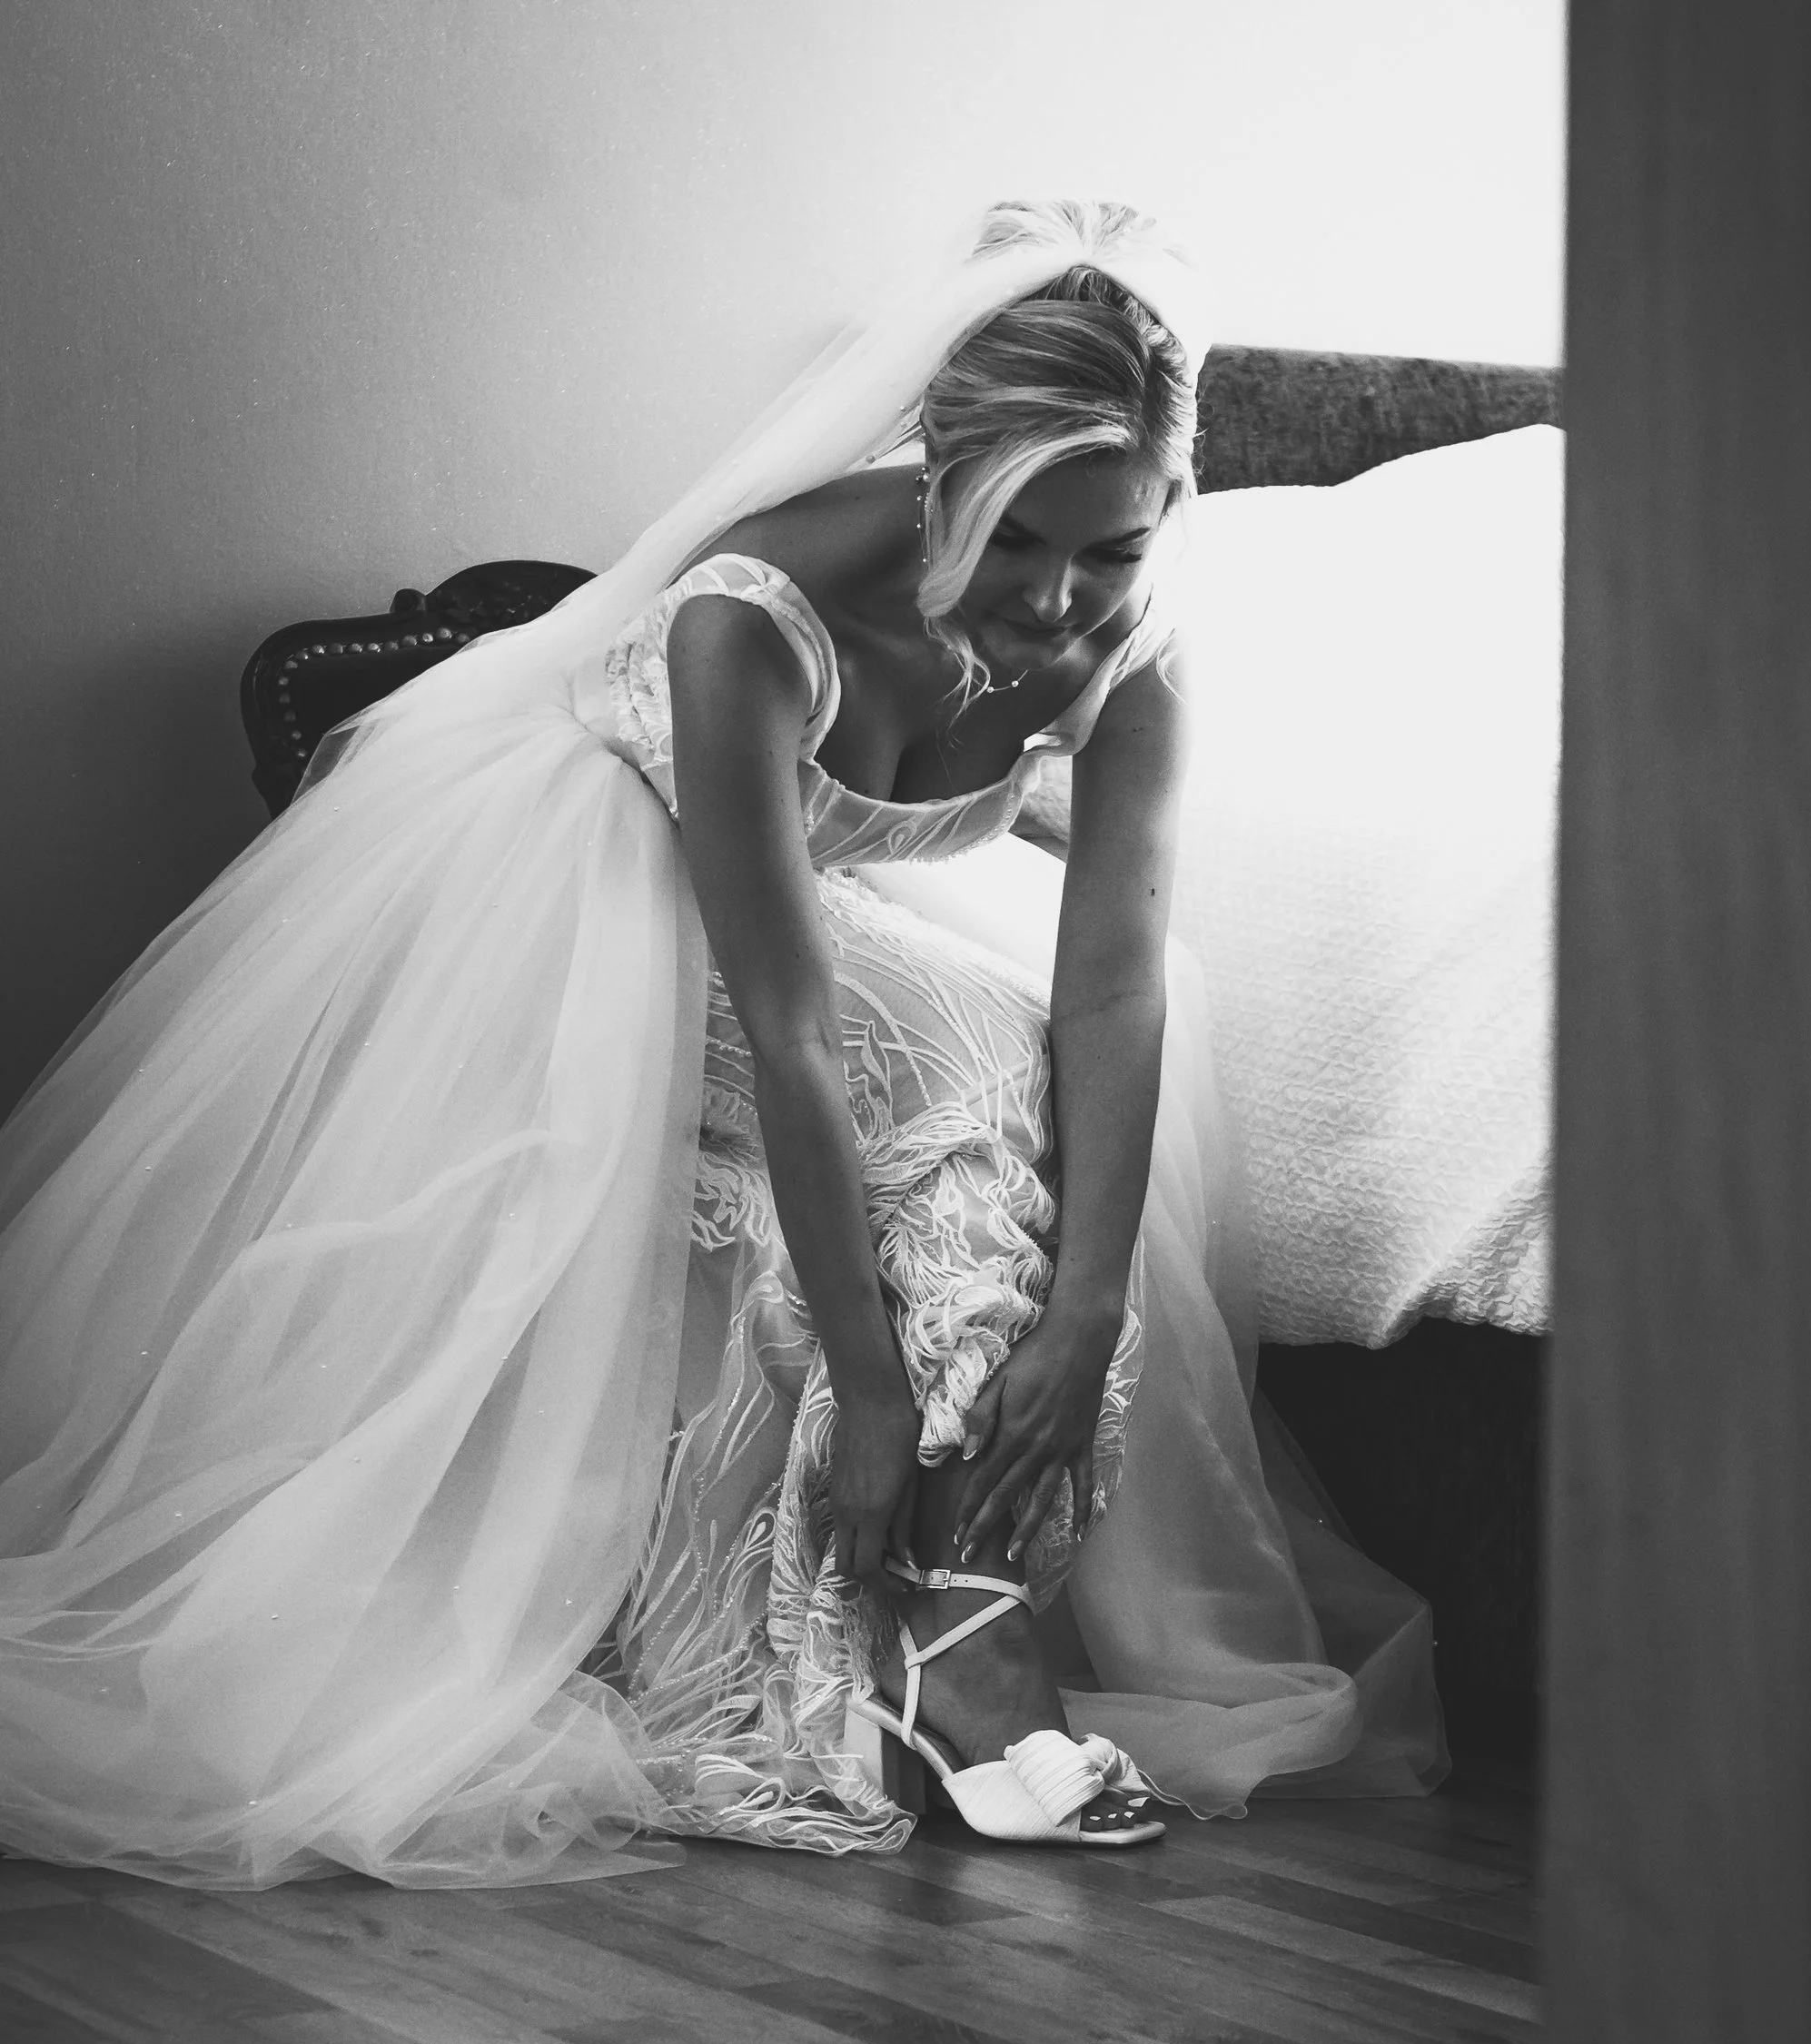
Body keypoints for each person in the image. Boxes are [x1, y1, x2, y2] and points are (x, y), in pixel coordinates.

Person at [0, 199, 1442, 1890]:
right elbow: (798, 1027)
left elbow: (1121, 979)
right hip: (579, 883)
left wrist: (1086, 1312)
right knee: (968, 1085)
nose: (1059, 599)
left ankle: (913, 1641)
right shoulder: (752, 609)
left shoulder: (1137, 648)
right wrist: (884, 1392)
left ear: (1172, 514)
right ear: (939, 482)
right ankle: (957, 1646)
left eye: (1111, 550)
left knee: (1026, 1075)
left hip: (803, 910)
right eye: (1015, 537)